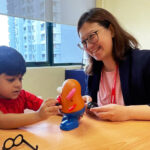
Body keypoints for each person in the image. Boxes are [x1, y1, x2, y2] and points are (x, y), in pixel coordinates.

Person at [77, 8, 150, 121]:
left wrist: (128, 113)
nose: (89, 46)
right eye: (84, 42)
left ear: (111, 30)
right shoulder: (92, 73)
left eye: (91, 36)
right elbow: (94, 108)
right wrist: (88, 103)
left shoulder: (144, 62)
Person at [0, 46, 62, 129]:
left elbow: (43, 107)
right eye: (11, 80)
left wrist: (57, 108)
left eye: (20, 79)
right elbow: (2, 121)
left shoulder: (22, 96)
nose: (18, 84)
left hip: (18, 139)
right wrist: (38, 116)